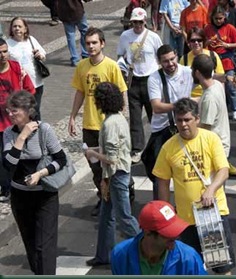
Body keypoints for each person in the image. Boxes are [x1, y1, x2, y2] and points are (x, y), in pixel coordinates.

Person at [154, 98, 236, 275]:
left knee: (221, 266)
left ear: (197, 119)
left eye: (187, 120)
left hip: (212, 215)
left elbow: (223, 170)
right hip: (186, 219)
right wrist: (167, 215)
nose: (183, 124)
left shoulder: (210, 139)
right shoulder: (168, 147)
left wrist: (211, 189)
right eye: (179, 120)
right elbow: (162, 181)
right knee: (191, 267)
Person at [3, 90, 68, 274]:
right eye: (9, 110)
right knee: (31, 245)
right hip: (20, 197)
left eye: (14, 110)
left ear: (27, 111)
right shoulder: (9, 133)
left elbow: (61, 159)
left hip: (44, 196)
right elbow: (8, 164)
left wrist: (40, 173)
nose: (10, 114)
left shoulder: (44, 130)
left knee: (44, 246)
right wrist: (22, 137)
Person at [68, 27, 128, 217]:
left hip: (108, 125)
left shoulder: (111, 66)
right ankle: (103, 198)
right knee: (95, 166)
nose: (91, 46)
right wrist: (72, 117)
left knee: (113, 164)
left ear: (102, 43)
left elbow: (122, 90)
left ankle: (126, 193)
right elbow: (80, 92)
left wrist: (122, 115)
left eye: (94, 42)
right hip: (90, 126)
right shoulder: (82, 66)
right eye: (88, 43)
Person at [84, 82, 140, 266]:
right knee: (106, 217)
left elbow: (111, 158)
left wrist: (92, 153)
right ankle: (103, 255)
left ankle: (149, 248)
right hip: (114, 175)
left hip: (116, 175)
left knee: (124, 218)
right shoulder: (119, 118)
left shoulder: (109, 124)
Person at [143, 44, 194, 200]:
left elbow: (210, 77)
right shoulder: (154, 78)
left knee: (189, 171)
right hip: (162, 130)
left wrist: (226, 78)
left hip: (184, 127)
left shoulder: (188, 72)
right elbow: (156, 107)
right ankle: (160, 210)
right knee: (159, 174)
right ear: (159, 62)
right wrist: (182, 106)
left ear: (177, 55)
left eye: (172, 59)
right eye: (165, 61)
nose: (170, 64)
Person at [111, 200, 207, 275]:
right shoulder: (120, 255)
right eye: (168, 233)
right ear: (148, 232)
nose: (175, 236)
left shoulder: (189, 259)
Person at [117, 7, 162, 164]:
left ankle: (158, 146)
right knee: (135, 117)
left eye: (140, 23)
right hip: (133, 79)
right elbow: (120, 55)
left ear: (145, 22)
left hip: (151, 79)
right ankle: (137, 149)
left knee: (154, 115)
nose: (137, 26)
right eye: (135, 22)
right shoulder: (125, 36)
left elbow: (160, 56)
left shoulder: (153, 37)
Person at [191, 54, 236, 177]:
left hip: (214, 149)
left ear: (197, 73)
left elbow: (204, 127)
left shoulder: (209, 98)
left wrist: (188, 125)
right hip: (221, 145)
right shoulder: (216, 85)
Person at [0, 38, 35, 203]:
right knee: (2, 159)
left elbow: (30, 91)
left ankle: (17, 185)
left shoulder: (17, 69)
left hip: (16, 124)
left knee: (18, 156)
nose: (2, 55)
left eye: (5, 51)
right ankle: (6, 188)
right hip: (0, 124)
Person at [204, 5, 236, 121]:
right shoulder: (207, 29)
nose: (219, 21)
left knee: (230, 86)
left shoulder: (230, 28)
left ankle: (235, 108)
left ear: (224, 17)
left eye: (220, 18)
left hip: (227, 60)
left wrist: (228, 45)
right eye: (216, 19)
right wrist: (208, 41)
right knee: (214, 87)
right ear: (212, 18)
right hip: (213, 61)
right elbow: (202, 44)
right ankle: (219, 109)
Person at [7, 17, 47, 120]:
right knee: (22, 111)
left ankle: (37, 132)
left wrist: (40, 55)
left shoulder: (31, 40)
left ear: (25, 29)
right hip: (20, 85)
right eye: (14, 26)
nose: (17, 29)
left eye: (20, 26)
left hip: (36, 82)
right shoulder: (7, 44)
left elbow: (43, 53)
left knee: (35, 110)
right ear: (11, 29)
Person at [179, 27, 224, 98]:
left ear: (203, 41)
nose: (196, 43)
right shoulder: (184, 59)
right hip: (192, 98)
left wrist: (221, 97)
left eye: (199, 40)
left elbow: (221, 79)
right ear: (188, 42)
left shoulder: (213, 56)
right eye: (193, 40)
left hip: (211, 96)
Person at [57, 0, 90, 67]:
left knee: (70, 36)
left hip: (64, 12)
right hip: (77, 10)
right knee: (84, 31)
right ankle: (85, 53)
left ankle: (75, 59)